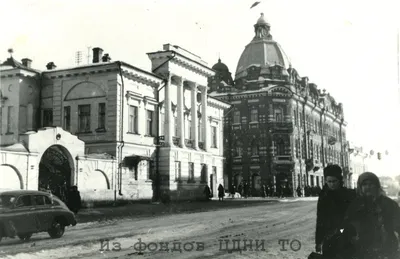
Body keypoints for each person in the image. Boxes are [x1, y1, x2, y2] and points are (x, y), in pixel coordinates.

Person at [342, 172, 400, 259]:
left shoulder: (389, 204)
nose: (368, 187)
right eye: (364, 184)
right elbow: (347, 226)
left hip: (386, 249)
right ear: (360, 187)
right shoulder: (355, 205)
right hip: (362, 250)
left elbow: (397, 225)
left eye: (371, 184)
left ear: (377, 186)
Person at [315, 164, 356, 258]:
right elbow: (320, 220)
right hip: (329, 238)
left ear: (340, 180)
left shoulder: (349, 195)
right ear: (325, 181)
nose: (332, 184)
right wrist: (318, 242)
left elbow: (353, 217)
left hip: (346, 235)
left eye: (334, 181)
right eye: (329, 181)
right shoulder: (323, 197)